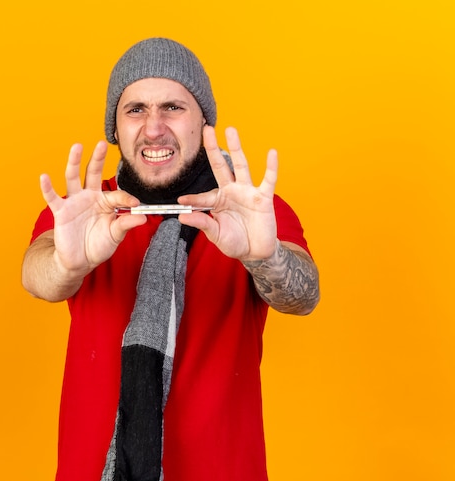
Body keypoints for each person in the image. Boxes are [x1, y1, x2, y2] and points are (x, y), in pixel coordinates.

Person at [22, 37, 320, 481]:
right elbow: (37, 276)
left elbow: (304, 295)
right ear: (115, 127)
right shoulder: (84, 211)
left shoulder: (250, 211)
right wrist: (67, 264)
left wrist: (266, 257)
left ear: (204, 121)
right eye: (136, 109)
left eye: (173, 108)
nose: (154, 127)